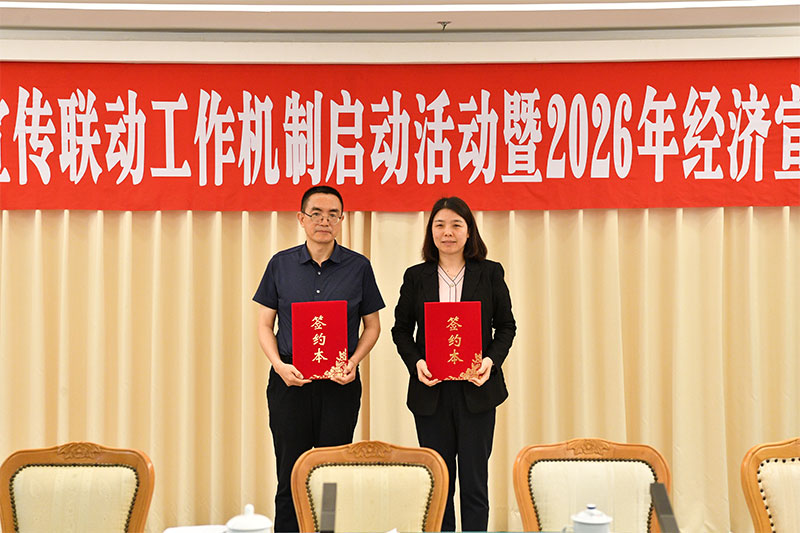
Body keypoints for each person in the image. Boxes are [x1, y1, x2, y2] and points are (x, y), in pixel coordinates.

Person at [253, 185, 384, 532]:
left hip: (339, 385)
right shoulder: (280, 265)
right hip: (289, 381)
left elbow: (372, 326)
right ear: (301, 218)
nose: (324, 221)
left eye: (332, 215)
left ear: (341, 219)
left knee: (331, 476)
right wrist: (279, 366)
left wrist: (353, 362)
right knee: (290, 472)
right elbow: (265, 325)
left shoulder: (358, 267)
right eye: (316, 214)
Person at [391, 197, 516, 532]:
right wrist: (416, 363)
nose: (447, 232)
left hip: (477, 391)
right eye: (440, 225)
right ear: (430, 231)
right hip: (431, 393)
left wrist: (490, 361)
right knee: (439, 483)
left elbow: (506, 326)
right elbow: (401, 330)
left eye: (456, 225)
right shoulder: (416, 276)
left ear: (469, 230)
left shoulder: (489, 272)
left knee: (474, 483)